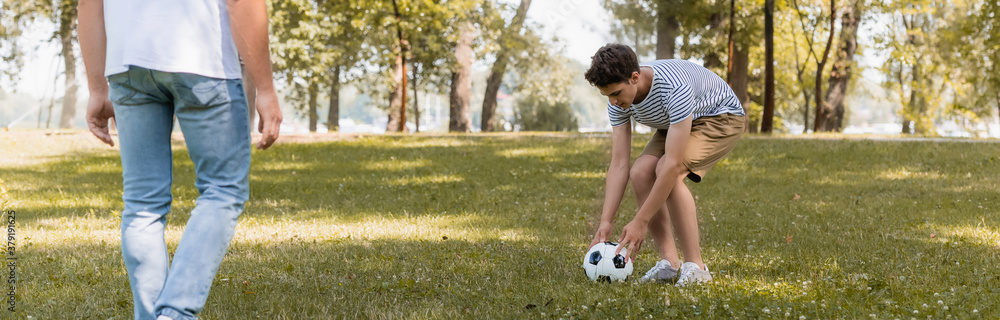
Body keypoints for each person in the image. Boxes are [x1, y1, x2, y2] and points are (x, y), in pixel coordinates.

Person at [78, 0, 282, 318]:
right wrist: (266, 88)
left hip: (127, 63)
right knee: (223, 190)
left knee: (142, 203)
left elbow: (89, 4)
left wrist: (97, 89)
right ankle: (175, 313)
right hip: (202, 59)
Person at [584, 44, 745, 286]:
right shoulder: (617, 100)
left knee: (667, 170)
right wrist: (606, 221)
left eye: (616, 93)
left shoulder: (673, 87)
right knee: (640, 172)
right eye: (607, 96)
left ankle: (697, 267)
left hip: (720, 117)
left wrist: (641, 220)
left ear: (634, 77)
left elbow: (671, 164)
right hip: (677, 123)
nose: (613, 102)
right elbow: (619, 164)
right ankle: (669, 264)